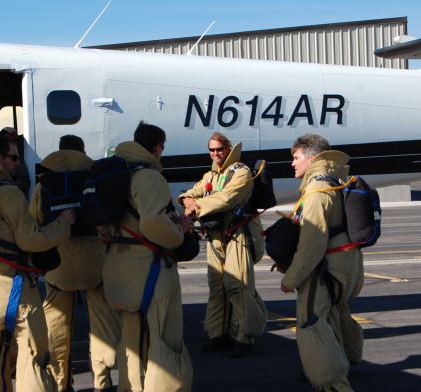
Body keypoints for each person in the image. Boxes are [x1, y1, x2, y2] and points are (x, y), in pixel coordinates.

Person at [0, 135, 76, 392]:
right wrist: (63, 225)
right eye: (14, 158)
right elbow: (30, 240)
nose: (17, 164)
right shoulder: (8, 193)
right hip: (11, 288)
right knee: (34, 353)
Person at [103, 121, 193, 392]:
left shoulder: (119, 174)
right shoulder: (149, 177)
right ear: (157, 147)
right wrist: (180, 230)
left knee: (131, 341)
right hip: (150, 273)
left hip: (120, 266)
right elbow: (153, 224)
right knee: (163, 340)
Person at [30, 135, 120, 392]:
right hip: (94, 260)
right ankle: (102, 380)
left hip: (58, 262)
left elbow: (34, 221)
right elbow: (105, 220)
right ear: (82, 152)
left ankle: (61, 383)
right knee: (102, 324)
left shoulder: (44, 185)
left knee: (57, 326)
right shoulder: (92, 181)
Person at [280, 133, 364, 391]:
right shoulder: (334, 181)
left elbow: (312, 244)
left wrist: (291, 278)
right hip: (344, 264)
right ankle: (345, 360)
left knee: (311, 324)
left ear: (313, 158)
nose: (292, 164)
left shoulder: (317, 190)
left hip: (323, 268)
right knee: (334, 314)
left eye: (296, 158)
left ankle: (332, 383)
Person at [178, 132, 267, 357]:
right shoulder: (211, 175)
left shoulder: (241, 173)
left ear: (228, 149)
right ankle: (219, 334)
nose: (215, 153)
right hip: (216, 235)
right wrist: (187, 199)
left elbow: (227, 198)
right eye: (211, 149)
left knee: (238, 286)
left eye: (219, 149)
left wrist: (195, 205)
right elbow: (192, 192)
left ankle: (246, 337)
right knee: (217, 285)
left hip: (238, 235)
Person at [0, 127, 31, 195]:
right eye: (9, 139)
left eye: (15, 140)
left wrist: (7, 186)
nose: (13, 142)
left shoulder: (16, 160)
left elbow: (25, 183)